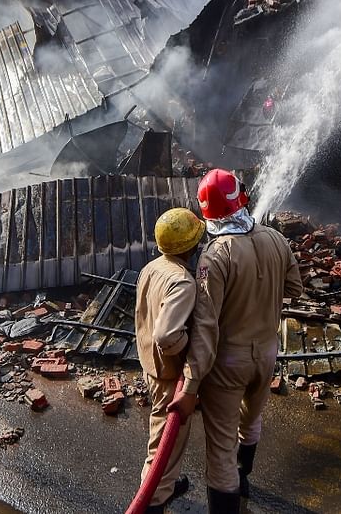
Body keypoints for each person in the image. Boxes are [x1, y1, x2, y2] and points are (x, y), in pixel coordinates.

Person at [186, 169, 303, 512]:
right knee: (251, 421)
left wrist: (191, 384)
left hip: (228, 363)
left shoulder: (215, 255)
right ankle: (244, 479)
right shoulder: (277, 239)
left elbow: (206, 323)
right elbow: (294, 289)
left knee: (220, 449)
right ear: (242, 198)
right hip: (267, 354)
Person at [135, 207, 209, 513]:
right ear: (191, 247)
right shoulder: (183, 282)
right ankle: (154, 499)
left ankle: (164, 484)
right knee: (164, 448)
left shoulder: (152, 268)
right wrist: (190, 345)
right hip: (169, 378)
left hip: (150, 368)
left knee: (162, 441)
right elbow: (166, 336)